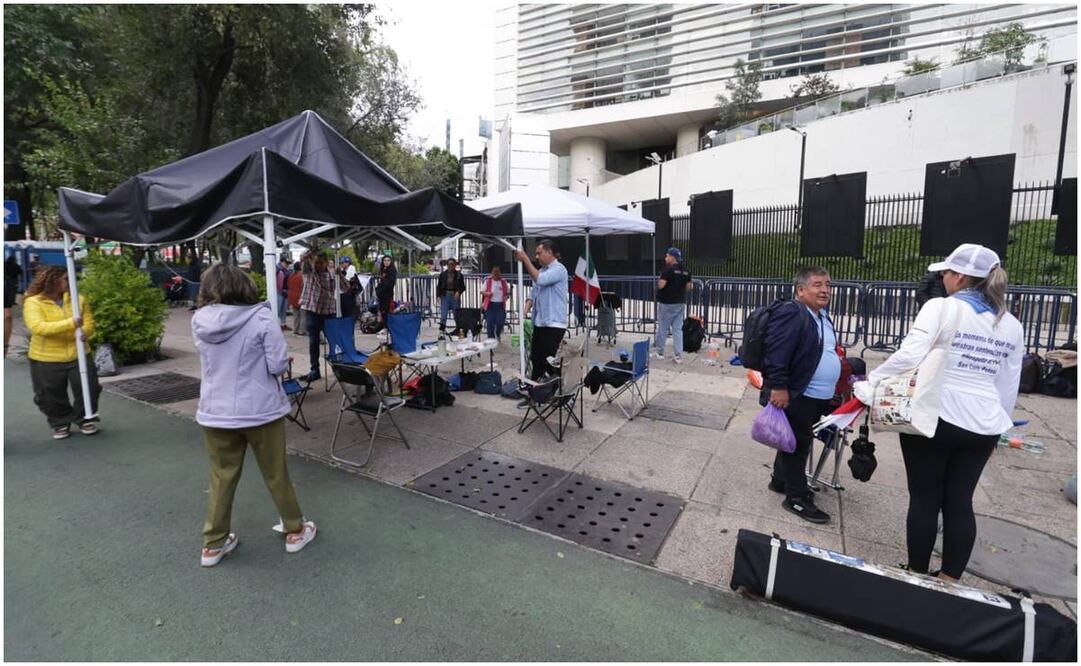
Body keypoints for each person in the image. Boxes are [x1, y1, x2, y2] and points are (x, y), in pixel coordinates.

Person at [858, 244, 1023, 582]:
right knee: (960, 501)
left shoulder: (941, 307)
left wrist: (873, 381)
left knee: (925, 498)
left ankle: (917, 573)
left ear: (959, 277)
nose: (943, 278)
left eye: (946, 272)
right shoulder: (1011, 324)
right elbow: (1008, 384)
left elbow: (909, 355)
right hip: (985, 423)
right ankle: (950, 580)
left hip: (936, 415)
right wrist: (999, 430)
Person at [191, 263, 317, 567]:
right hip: (261, 410)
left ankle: (213, 544)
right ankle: (294, 529)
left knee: (221, 477)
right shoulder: (261, 317)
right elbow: (277, 365)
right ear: (244, 285)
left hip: (215, 410)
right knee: (276, 472)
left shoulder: (199, 320)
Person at [762, 266, 840, 524]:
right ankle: (796, 497)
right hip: (799, 393)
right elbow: (777, 352)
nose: (825, 290)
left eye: (827, 285)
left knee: (791, 437)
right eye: (818, 285)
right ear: (801, 290)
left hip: (817, 394)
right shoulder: (793, 312)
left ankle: (780, 480)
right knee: (799, 444)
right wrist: (778, 387)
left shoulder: (821, 316)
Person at [23, 266, 101, 439]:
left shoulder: (77, 299)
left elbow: (88, 322)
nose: (70, 282)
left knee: (89, 387)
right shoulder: (33, 302)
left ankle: (85, 418)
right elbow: (38, 327)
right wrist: (71, 323)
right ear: (53, 280)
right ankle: (60, 422)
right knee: (49, 393)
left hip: (78, 353)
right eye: (66, 279)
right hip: (46, 357)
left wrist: (84, 332)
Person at [514, 239, 568, 380]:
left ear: (549, 252)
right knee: (536, 359)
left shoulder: (559, 269)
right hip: (540, 323)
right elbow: (533, 295)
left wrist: (525, 259)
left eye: (539, 253)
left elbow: (541, 280)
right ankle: (535, 388)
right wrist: (525, 310)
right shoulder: (541, 271)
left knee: (548, 361)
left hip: (553, 324)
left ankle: (552, 387)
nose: (536, 257)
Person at [299, 251, 346, 381]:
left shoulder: (332, 274)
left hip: (328, 311)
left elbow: (346, 288)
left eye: (321, 263)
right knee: (313, 341)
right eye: (316, 262)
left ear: (326, 262)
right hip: (312, 311)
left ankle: (340, 367)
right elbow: (303, 258)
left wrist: (340, 275)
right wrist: (313, 250)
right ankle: (314, 369)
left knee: (334, 341)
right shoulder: (309, 271)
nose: (318, 265)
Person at [654, 247, 693, 364]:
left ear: (672, 257)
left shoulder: (668, 270)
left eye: (667, 256)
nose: (665, 258)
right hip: (679, 303)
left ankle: (660, 352)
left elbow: (661, 285)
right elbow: (689, 287)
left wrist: (660, 279)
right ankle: (678, 355)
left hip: (667, 303)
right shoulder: (686, 271)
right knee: (677, 329)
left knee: (663, 328)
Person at [436, 257, 466, 332]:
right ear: (447, 265)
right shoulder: (443, 275)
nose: (451, 266)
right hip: (445, 296)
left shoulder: (459, 275)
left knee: (456, 314)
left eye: (452, 264)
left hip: (454, 296)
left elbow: (463, 287)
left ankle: (458, 330)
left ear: (455, 265)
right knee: (443, 315)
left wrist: (459, 292)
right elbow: (439, 286)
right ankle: (442, 331)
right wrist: (438, 296)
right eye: (449, 264)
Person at [481, 265, 511, 341]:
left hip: (500, 305)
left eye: (498, 272)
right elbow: (482, 291)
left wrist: (507, 297)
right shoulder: (488, 281)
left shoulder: (504, 282)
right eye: (494, 272)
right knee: (490, 322)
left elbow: (508, 293)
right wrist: (487, 294)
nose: (496, 274)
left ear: (500, 273)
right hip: (490, 304)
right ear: (492, 273)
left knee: (500, 321)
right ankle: (491, 338)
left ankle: (498, 332)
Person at [5, 256, 21, 355]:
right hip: (12, 281)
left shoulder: (5, 264)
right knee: (12, 293)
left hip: (7, 281)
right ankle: (12, 301)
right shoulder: (16, 265)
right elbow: (7, 316)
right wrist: (5, 344)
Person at [375, 255, 397, 322]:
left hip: (387, 294)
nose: (386, 262)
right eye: (385, 260)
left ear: (391, 261)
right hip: (382, 294)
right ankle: (383, 324)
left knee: (386, 311)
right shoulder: (383, 269)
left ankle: (386, 325)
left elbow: (390, 282)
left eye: (388, 260)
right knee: (382, 310)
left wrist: (380, 289)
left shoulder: (392, 270)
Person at [275, 258, 291, 330]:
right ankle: (278, 324)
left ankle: (283, 324)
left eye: (288, 263)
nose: (287, 264)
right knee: (278, 309)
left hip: (284, 291)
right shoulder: (278, 269)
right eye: (286, 263)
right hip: (279, 292)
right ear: (282, 262)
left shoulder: (285, 270)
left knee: (283, 309)